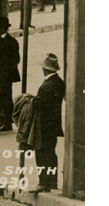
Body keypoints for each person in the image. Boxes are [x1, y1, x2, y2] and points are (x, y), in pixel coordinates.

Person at [30, 54, 65, 193]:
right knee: (51, 153)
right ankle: (52, 181)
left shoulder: (47, 86)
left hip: (44, 125)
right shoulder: (60, 82)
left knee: (41, 152)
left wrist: (31, 100)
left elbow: (39, 103)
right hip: (54, 124)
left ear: (45, 70)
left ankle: (43, 182)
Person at [0, 17, 21, 133]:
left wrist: (4, 69)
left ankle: (7, 122)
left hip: (6, 75)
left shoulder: (11, 42)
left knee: (6, 98)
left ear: (3, 29)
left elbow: (15, 59)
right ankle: (2, 121)